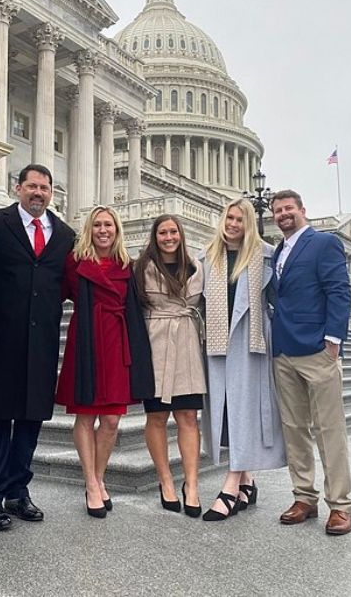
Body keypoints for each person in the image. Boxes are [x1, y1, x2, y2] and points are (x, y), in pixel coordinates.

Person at [0, 164, 75, 530]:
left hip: (41, 344)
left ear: (51, 193)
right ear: (18, 188)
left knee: (31, 422)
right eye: (31, 186)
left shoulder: (65, 235)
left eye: (44, 188)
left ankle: (18, 491)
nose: (38, 193)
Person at [56, 206, 154, 517]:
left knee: (111, 420)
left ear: (116, 230)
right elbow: (53, 293)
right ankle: (91, 483)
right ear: (89, 229)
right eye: (97, 224)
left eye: (108, 225)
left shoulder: (128, 263)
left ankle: (98, 477)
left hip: (116, 342)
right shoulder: (75, 262)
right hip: (86, 340)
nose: (102, 230)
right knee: (85, 416)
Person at [271, 189, 351, 535]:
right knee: (294, 429)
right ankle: (304, 496)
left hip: (318, 351)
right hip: (285, 350)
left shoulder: (323, 243)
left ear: (302, 210)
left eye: (289, 208)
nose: (283, 214)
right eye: (277, 210)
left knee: (329, 430)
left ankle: (340, 505)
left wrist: (334, 340)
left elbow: (339, 289)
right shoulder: (278, 250)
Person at [200, 198, 286, 521]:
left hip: (252, 344)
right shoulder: (208, 256)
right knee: (228, 414)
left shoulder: (264, 255)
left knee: (244, 413)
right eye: (230, 218)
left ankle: (230, 486)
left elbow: (279, 299)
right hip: (219, 347)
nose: (233, 224)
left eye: (240, 220)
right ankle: (248, 481)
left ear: (249, 224)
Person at [134, 215, 206, 517]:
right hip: (156, 342)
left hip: (187, 341)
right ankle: (165, 481)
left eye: (173, 232)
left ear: (181, 235)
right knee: (158, 416)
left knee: (188, 415)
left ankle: (191, 484)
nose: (168, 237)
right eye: (162, 232)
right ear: (155, 236)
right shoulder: (141, 268)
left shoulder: (196, 267)